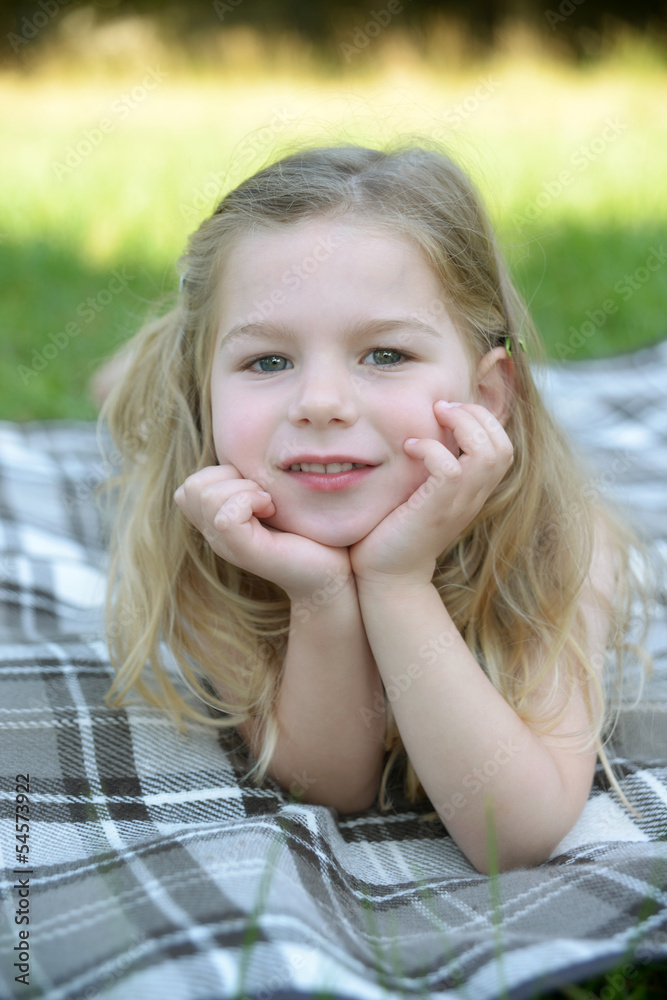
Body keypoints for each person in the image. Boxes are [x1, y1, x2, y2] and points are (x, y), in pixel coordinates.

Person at [100, 141, 652, 874]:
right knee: (131, 402)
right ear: (206, 397)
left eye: (385, 355)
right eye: (268, 361)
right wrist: (320, 594)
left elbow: (516, 834)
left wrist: (397, 580)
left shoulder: (562, 539)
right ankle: (137, 375)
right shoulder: (205, 531)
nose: (321, 402)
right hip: (189, 412)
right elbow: (335, 784)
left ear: (486, 395)